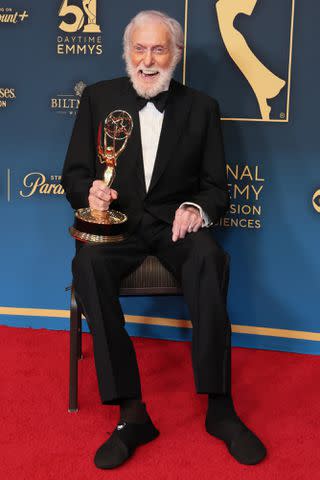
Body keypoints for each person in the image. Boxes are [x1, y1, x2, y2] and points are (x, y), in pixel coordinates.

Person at [62, 10, 266, 469]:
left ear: (175, 55)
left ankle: (220, 407)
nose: (148, 60)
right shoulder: (97, 99)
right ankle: (131, 413)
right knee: (87, 266)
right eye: (140, 48)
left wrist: (196, 210)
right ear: (127, 51)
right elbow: (74, 174)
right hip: (116, 228)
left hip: (175, 227)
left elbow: (217, 189)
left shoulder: (202, 107)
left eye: (158, 49)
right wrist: (89, 191)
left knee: (210, 260)